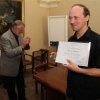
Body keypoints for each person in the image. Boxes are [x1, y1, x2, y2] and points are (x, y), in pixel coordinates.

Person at [50, 4, 100, 100]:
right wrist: (60, 56)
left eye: (76, 17)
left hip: (89, 95)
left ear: (87, 17)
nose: (72, 21)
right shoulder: (71, 39)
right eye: (70, 18)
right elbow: (71, 62)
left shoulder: (97, 40)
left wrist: (79, 70)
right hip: (71, 92)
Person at [0, 20, 30, 100]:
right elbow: (9, 53)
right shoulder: (4, 37)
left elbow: (23, 47)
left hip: (19, 66)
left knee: (21, 86)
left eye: (22, 30)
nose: (21, 32)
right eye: (20, 30)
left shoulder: (19, 34)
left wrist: (27, 44)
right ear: (14, 28)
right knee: (11, 90)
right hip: (9, 68)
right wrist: (22, 46)